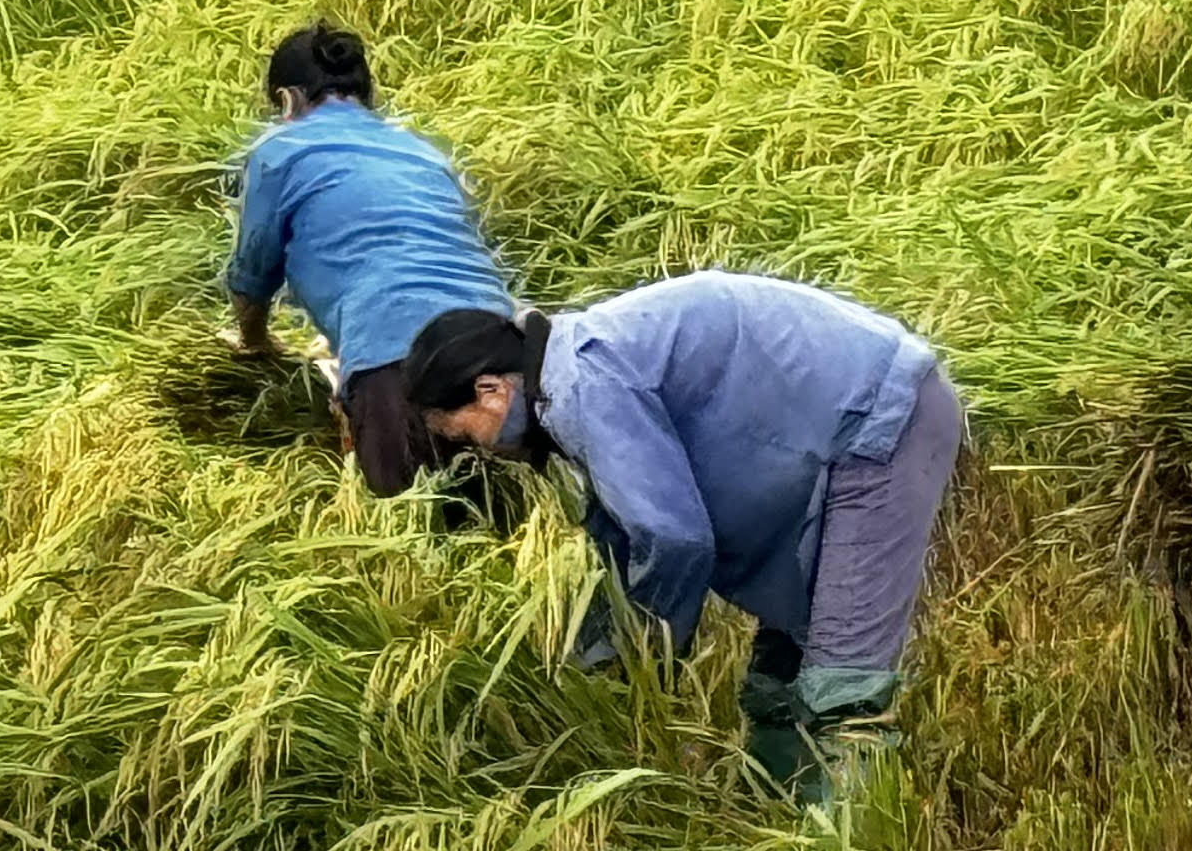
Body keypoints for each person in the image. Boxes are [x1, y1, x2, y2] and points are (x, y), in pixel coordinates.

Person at [404, 274, 963, 810]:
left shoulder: (581, 385)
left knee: (844, 687)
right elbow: (618, 535)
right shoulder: (569, 371)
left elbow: (672, 539)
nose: (480, 451)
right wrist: (598, 654)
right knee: (781, 675)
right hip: (830, 430)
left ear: (490, 391)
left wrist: (652, 656)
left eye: (465, 435)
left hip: (880, 421)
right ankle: (777, 813)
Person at [223, 22, 514, 499]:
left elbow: (252, 275)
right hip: (503, 343)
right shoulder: (424, 154)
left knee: (408, 531)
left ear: (287, 100)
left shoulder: (283, 151)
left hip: (393, 356)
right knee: (509, 522)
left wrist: (255, 344)